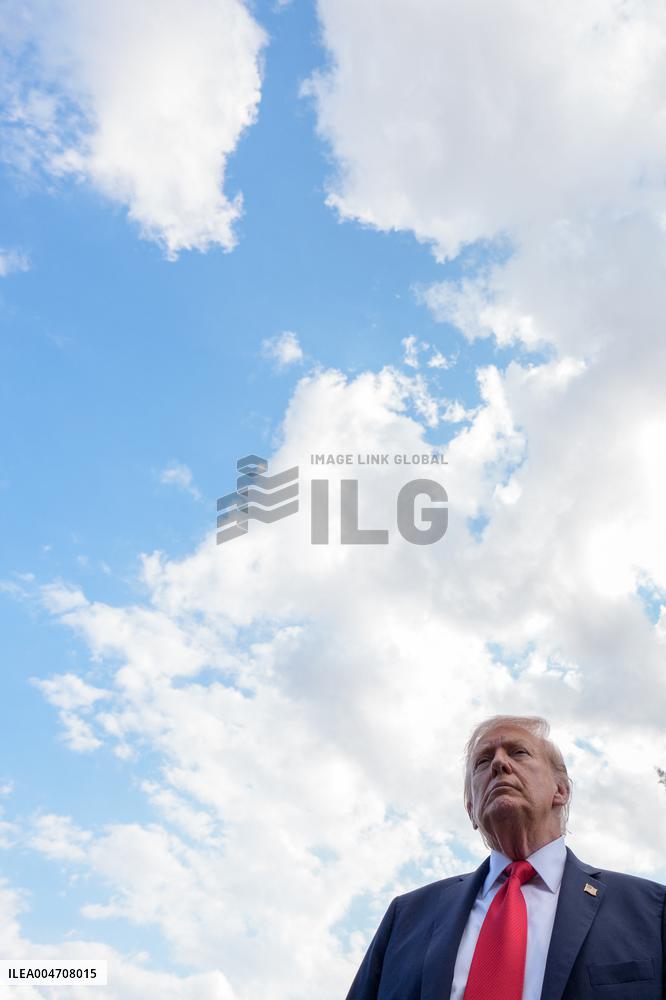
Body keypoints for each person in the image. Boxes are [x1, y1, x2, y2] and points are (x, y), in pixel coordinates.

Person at [345, 715, 665, 999]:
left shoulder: (651, 910)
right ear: (471, 809)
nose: (499, 763)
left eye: (518, 752)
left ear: (561, 791)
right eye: (483, 762)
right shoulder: (406, 918)